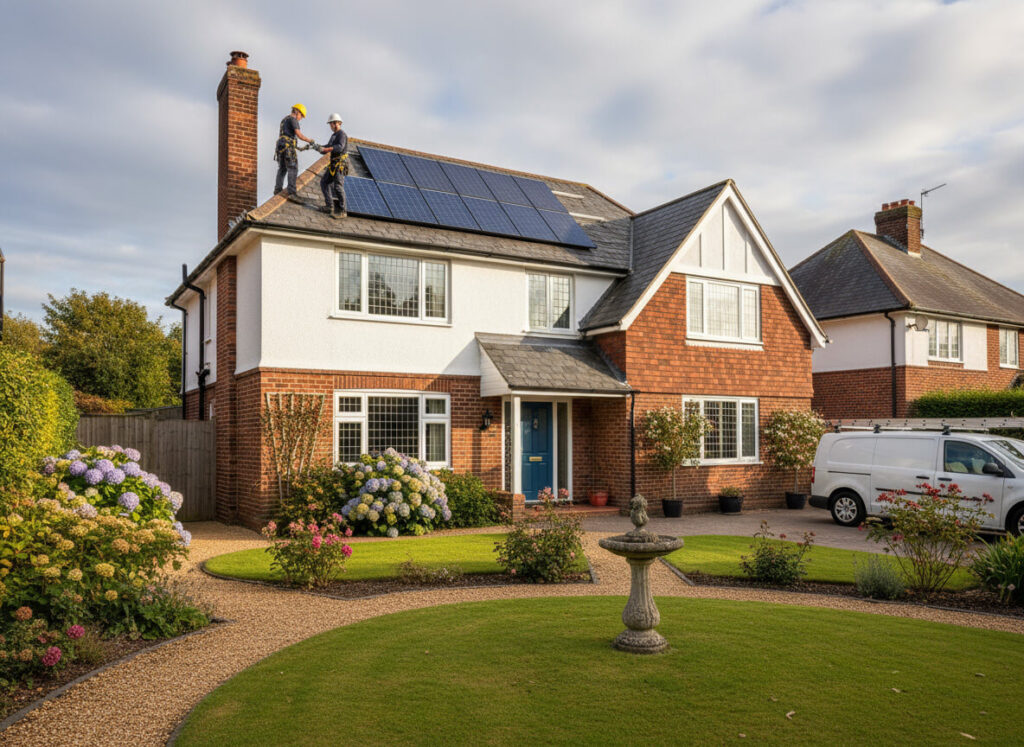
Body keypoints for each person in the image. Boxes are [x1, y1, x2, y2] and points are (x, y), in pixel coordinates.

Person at [274, 103, 316, 200]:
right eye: (301, 116)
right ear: (297, 112)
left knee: (282, 168)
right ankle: (292, 192)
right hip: (288, 147)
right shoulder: (293, 119)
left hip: (280, 147)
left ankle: (277, 189)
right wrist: (310, 140)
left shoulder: (284, 119)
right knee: (293, 168)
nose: (300, 118)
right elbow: (299, 135)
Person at [318, 113, 348, 218]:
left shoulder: (341, 134)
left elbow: (339, 147)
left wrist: (327, 149)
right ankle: (329, 206)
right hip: (333, 165)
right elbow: (328, 147)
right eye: (331, 123)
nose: (333, 125)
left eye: (335, 123)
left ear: (339, 123)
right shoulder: (333, 136)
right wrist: (318, 147)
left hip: (339, 165)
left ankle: (343, 210)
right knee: (324, 182)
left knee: (338, 187)